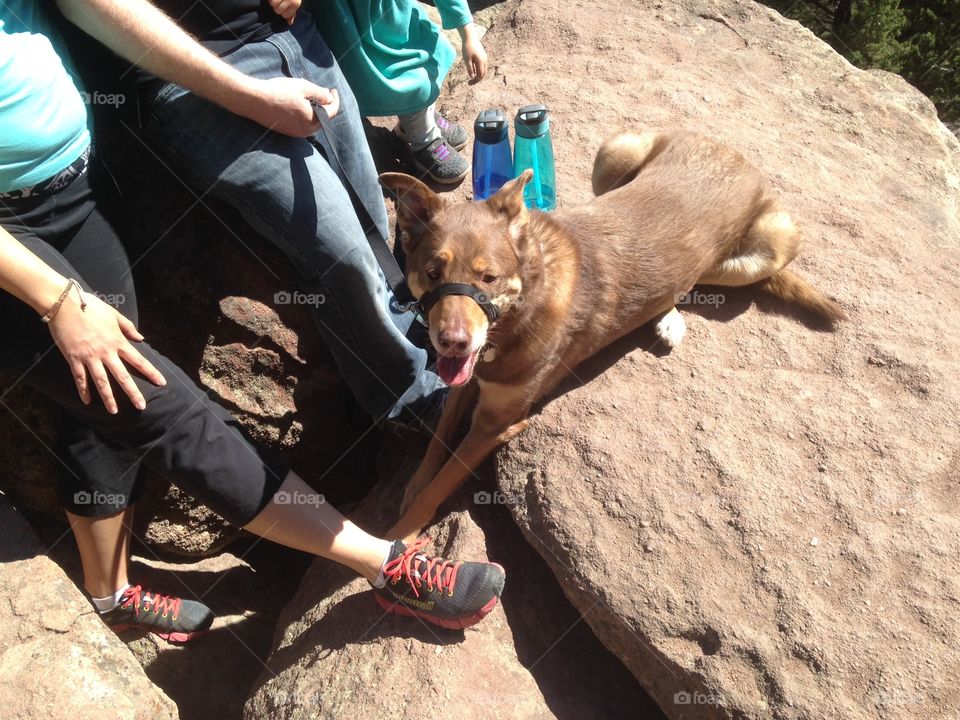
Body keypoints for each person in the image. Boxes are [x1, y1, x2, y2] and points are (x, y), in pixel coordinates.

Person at [0, 0, 505, 642]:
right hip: (16, 239)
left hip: (71, 192)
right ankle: (386, 566)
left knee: (98, 404)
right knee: (161, 406)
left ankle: (111, 596)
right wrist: (56, 302)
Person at [58, 0, 446, 431]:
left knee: (371, 215)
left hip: (294, 36)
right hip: (196, 80)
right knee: (342, 250)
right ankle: (407, 395)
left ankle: (419, 334)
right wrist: (252, 99)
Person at [308, 0, 489, 183]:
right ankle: (423, 139)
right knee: (410, 81)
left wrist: (469, 35)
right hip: (351, 34)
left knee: (428, 57)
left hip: (395, 19)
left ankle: (416, 121)